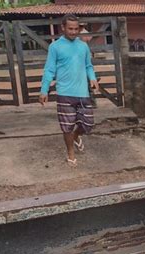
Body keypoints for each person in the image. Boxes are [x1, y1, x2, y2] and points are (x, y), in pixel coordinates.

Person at [39, 14, 99, 166]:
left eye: (76, 29)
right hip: (65, 94)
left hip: (82, 93)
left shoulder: (83, 46)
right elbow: (49, 70)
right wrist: (44, 90)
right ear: (63, 28)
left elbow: (88, 66)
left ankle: (77, 136)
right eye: (70, 29)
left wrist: (92, 78)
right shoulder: (55, 47)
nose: (73, 32)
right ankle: (70, 153)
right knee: (67, 127)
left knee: (88, 124)